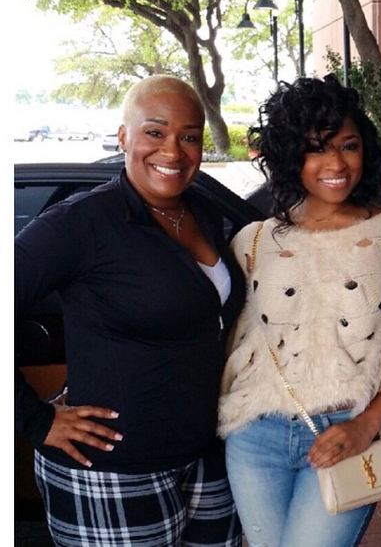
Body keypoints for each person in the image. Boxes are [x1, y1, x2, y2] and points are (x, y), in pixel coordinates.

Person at [15, 75, 245, 546]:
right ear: (123, 137)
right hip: (111, 472)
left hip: (206, 459)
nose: (173, 151)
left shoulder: (201, 212)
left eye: (189, 136)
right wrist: (34, 420)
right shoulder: (80, 223)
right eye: (155, 132)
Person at [217, 74, 381, 547]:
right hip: (255, 438)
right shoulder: (255, 242)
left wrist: (366, 425)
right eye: (316, 149)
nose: (336, 163)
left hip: (347, 434)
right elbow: (236, 342)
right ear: (292, 156)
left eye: (348, 145)